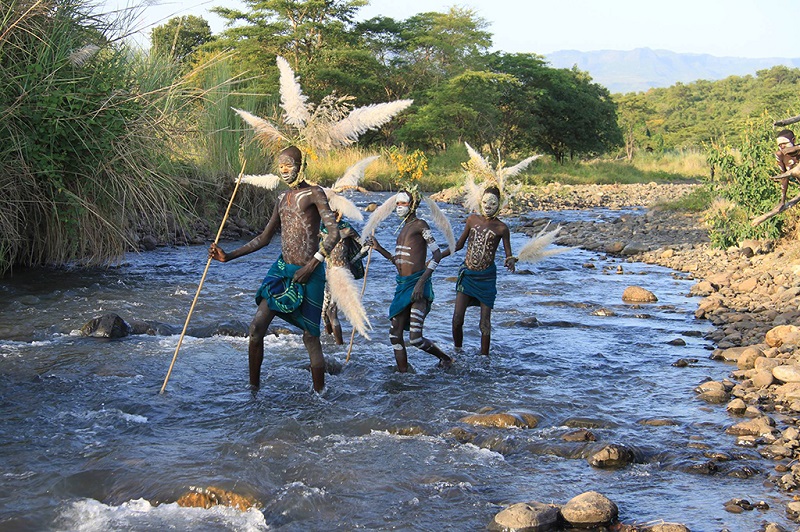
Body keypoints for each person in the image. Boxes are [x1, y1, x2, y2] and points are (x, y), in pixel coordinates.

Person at [209, 146, 340, 392]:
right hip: (282, 270)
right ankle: (253, 389)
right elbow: (264, 238)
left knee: (310, 337)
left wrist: (313, 264)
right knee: (256, 327)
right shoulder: (281, 198)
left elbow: (334, 233)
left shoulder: (314, 193)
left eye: (289, 164)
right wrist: (228, 256)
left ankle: (320, 396)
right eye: (280, 165)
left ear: (301, 166)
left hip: (309, 272)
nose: (284, 170)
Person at [367, 188, 454, 372]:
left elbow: (437, 254)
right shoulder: (402, 230)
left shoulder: (421, 225)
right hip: (402, 285)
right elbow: (399, 263)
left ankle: (445, 358)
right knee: (395, 335)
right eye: (397, 204)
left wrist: (421, 283)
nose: (399, 207)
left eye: (403, 203)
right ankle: (403, 373)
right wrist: (379, 248)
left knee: (415, 338)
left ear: (412, 205)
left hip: (418, 285)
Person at [448, 185, 516, 356]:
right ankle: (458, 351)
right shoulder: (472, 220)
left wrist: (510, 261)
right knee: (457, 319)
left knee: (484, 323)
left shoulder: (502, 228)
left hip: (486, 278)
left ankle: (484, 358)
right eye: (485, 202)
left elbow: (508, 254)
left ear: (499, 205)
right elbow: (459, 244)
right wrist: (439, 255)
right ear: (480, 202)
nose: (488, 206)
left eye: (492, 203)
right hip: (467, 275)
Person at [774, 129, 800, 206]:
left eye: (784, 143)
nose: (782, 147)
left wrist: (797, 148)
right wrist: (782, 201)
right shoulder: (780, 155)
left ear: (793, 140)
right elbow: (784, 177)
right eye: (780, 145)